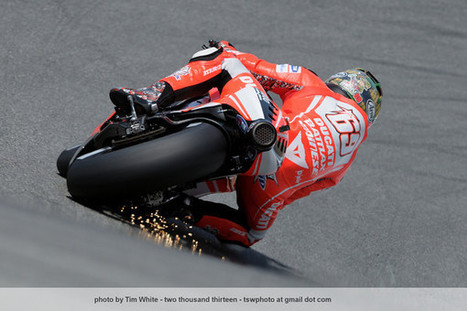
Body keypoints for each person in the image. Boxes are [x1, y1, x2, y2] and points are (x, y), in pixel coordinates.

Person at [109, 40, 383, 247]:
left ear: (340, 81)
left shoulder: (313, 84)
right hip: (272, 181)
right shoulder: (346, 162)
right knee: (252, 232)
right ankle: (179, 207)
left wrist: (226, 48)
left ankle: (153, 95)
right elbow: (298, 192)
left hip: (269, 132)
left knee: (224, 59)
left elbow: (258, 69)